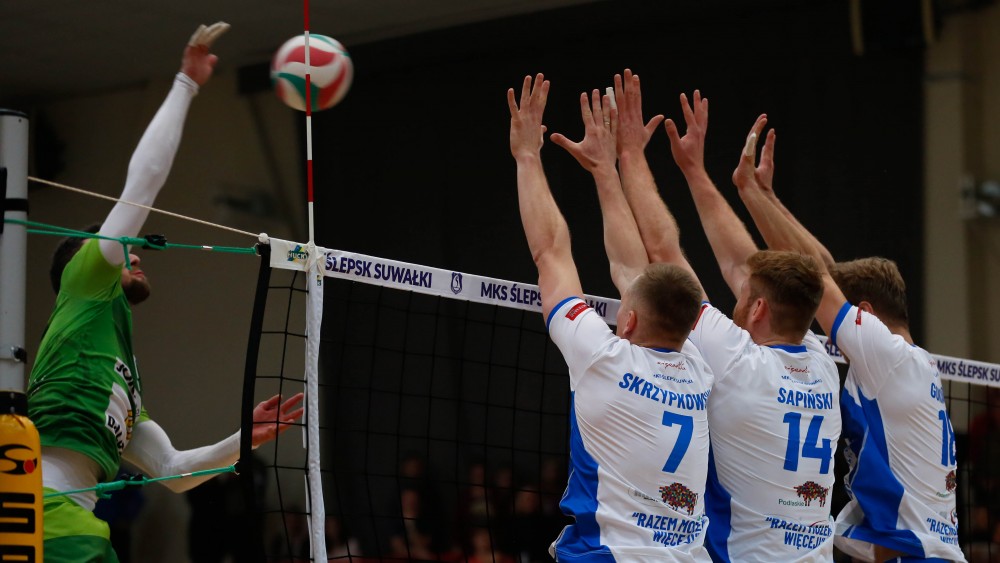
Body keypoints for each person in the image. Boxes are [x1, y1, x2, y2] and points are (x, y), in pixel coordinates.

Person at [28, 23, 305, 561]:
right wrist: (186, 83)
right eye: (123, 249)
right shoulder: (85, 283)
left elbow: (174, 473)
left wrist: (243, 438)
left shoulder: (121, 377)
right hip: (47, 522)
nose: (136, 253)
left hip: (75, 527)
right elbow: (143, 186)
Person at [608, 73, 840, 561]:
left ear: (758, 309)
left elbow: (665, 250)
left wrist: (630, 154)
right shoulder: (821, 363)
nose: (736, 291)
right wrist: (695, 172)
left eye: (745, 295)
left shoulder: (738, 363)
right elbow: (744, 267)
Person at [731, 118, 967, 562]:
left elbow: (817, 276)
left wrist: (748, 191)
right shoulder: (914, 365)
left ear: (866, 315)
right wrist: (770, 197)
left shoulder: (885, 355)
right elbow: (823, 268)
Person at [509, 73, 713, 562]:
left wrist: (526, 155)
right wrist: (605, 171)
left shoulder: (603, 359)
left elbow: (550, 252)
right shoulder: (700, 368)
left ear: (630, 321)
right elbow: (634, 274)